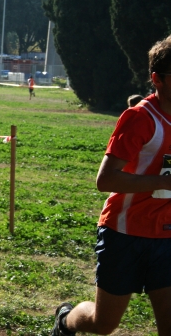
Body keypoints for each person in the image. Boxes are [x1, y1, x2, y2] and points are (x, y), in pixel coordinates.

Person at [50, 35, 171, 336]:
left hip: (166, 236)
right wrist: (162, 181)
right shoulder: (140, 118)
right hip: (125, 232)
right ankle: (66, 319)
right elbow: (106, 180)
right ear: (157, 79)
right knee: (104, 325)